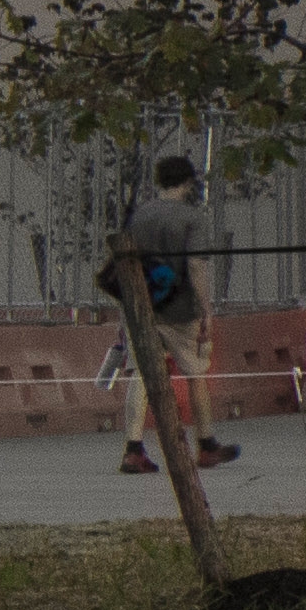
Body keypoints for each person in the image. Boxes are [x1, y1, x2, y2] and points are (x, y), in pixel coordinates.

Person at [108, 154, 234, 476]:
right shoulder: (192, 218)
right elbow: (196, 265)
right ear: (189, 182)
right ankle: (206, 445)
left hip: (142, 308)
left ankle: (133, 449)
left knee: (141, 374)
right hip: (181, 311)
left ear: (158, 180)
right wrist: (206, 309)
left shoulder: (139, 216)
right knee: (195, 374)